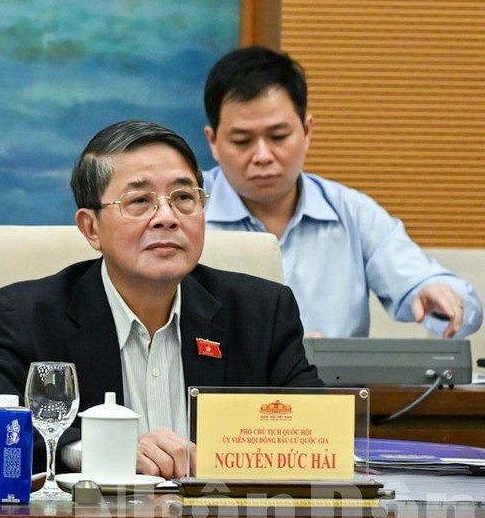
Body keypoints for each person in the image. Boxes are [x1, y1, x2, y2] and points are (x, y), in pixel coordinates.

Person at [0, 120, 319, 479]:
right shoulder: (28, 315)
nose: (167, 218)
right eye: (140, 201)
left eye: (182, 198)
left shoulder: (261, 312)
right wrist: (99, 450)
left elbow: (318, 431)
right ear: (91, 228)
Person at [202, 46, 481, 340]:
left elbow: (449, 297)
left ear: (307, 132)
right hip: (216, 386)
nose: (262, 155)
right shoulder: (184, 211)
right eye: (242, 140)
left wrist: (438, 295)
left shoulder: (353, 213)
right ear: (213, 142)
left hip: (335, 387)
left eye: (278, 137)